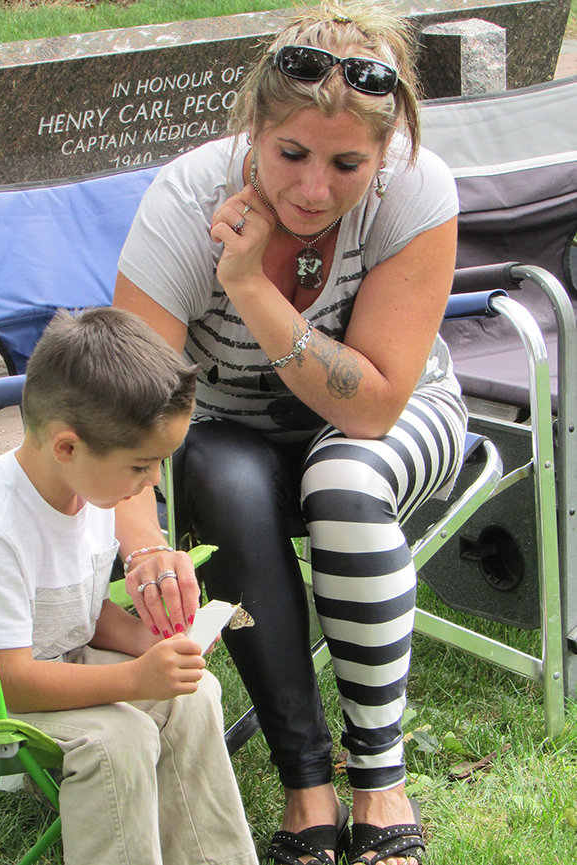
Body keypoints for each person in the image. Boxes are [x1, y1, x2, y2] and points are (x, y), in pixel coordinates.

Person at [113, 2, 466, 864]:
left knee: (342, 479)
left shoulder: (416, 194)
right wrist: (143, 548)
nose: (313, 189)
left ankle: (380, 780)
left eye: (348, 163)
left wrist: (251, 289)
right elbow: (126, 406)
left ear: (386, 156)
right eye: (291, 155)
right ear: (252, 133)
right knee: (228, 476)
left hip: (397, 411)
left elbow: (374, 408)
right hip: (230, 430)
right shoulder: (184, 202)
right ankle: (307, 783)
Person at [0, 307, 258, 865]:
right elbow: (12, 683)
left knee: (193, 697)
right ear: (66, 446)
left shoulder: (89, 493)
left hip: (47, 661)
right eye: (142, 466)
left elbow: (78, 611)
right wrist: (135, 677)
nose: (154, 482)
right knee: (116, 740)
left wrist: (150, 645)